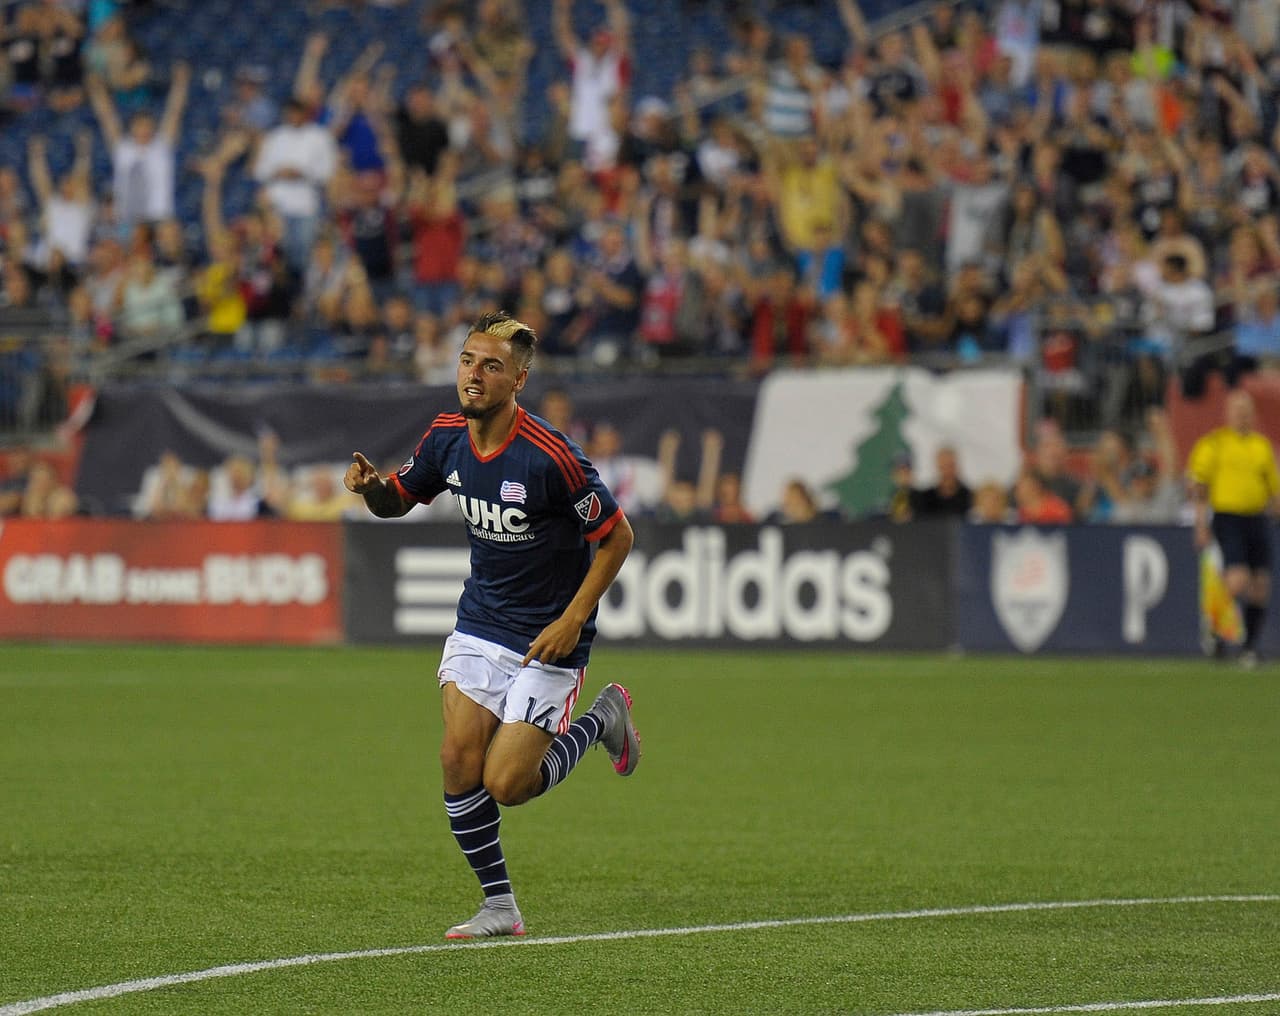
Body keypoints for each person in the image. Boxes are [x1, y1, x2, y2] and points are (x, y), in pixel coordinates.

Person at [343, 310, 640, 940]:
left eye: (491, 366)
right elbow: (399, 499)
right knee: (457, 759)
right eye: (467, 361)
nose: (474, 375)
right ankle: (499, 906)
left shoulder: (551, 456)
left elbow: (616, 538)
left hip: (547, 636)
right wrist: (372, 490)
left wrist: (573, 617)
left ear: (518, 382)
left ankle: (601, 720)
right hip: (481, 622)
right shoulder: (447, 436)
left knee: (507, 784)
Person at [1187, 390, 1280, 668]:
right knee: (1237, 579)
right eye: (1237, 409)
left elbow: (1273, 490)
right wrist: (1200, 524)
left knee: (1260, 584)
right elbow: (1199, 488)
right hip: (1228, 517)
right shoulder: (1214, 444)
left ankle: (1249, 647)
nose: (1242, 415)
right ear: (1227, 413)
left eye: (1247, 410)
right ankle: (1214, 627)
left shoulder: (1262, 447)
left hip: (1256, 517)